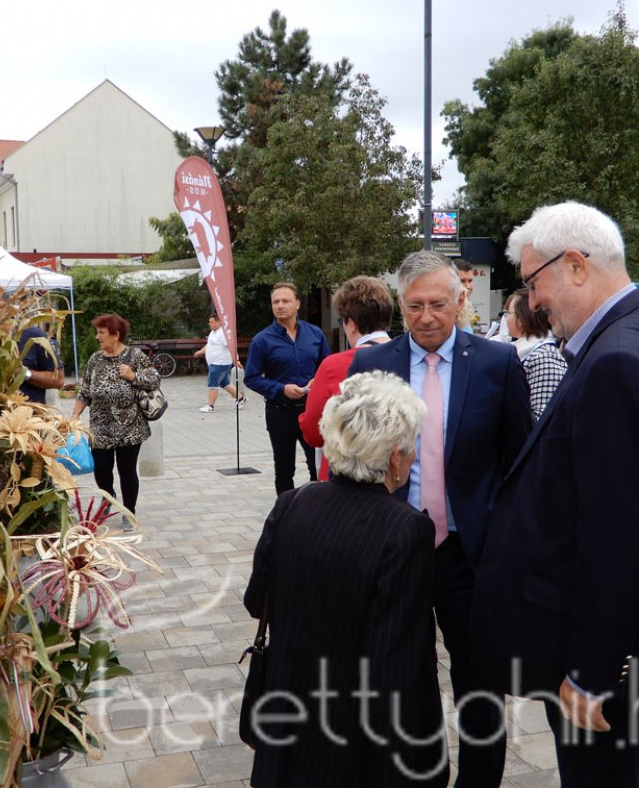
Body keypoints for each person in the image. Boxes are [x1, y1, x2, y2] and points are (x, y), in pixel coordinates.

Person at [346, 250, 533, 788]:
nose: (426, 317)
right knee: (401, 678)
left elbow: (517, 463)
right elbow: (351, 462)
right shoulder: (370, 366)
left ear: (460, 301)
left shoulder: (498, 364)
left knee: (479, 682)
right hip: (392, 554)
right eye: (414, 307)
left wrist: (507, 546)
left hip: (467, 555)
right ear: (400, 306)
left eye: (437, 304)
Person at [471, 201, 639, 787]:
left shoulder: (615, 360)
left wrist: (593, 674)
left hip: (603, 671)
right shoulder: (615, 342)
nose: (531, 302)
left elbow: (616, 536)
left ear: (574, 266)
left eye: (531, 281)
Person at [244, 371, 448, 788]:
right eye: (411, 450)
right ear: (395, 457)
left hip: (286, 704)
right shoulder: (405, 528)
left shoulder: (292, 502)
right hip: (350, 734)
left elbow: (255, 600)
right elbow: (398, 660)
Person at [298, 275, 392, 479]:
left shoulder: (334, 366)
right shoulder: (412, 359)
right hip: (397, 478)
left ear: (351, 323)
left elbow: (313, 433)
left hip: (344, 479)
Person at [70, 313, 159, 529]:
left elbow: (154, 378)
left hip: (130, 428)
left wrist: (133, 376)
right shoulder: (95, 360)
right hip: (100, 428)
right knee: (101, 469)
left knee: (127, 471)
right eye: (97, 332)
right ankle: (108, 498)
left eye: (101, 333)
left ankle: (129, 511)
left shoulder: (135, 356)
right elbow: (86, 390)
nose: (97, 337)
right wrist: (74, 416)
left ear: (115, 335)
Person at [244, 283, 330, 495]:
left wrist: (315, 381)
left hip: (312, 411)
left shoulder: (315, 334)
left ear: (297, 304)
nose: (280, 306)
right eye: (276, 302)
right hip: (279, 412)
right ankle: (284, 516)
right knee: (284, 470)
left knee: (317, 467)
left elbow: (327, 367)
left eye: (285, 301)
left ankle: (318, 513)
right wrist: (281, 389)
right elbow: (251, 378)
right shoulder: (262, 340)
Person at [0, 285, 64, 403]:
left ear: (3, 307)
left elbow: (59, 380)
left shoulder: (32, 336)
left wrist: (23, 373)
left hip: (30, 417)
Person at [503, 287, 566, 419]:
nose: (505, 319)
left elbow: (544, 419)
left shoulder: (544, 357)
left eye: (508, 314)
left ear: (521, 320)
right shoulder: (525, 350)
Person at [193, 313, 245, 412]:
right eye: (209, 322)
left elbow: (231, 347)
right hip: (216, 363)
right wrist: (200, 352)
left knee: (212, 382)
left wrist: (237, 360)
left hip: (220, 363)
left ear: (219, 322)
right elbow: (209, 345)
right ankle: (241, 399)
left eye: (211, 322)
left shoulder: (223, 334)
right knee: (225, 383)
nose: (209, 324)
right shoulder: (213, 332)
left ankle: (210, 406)